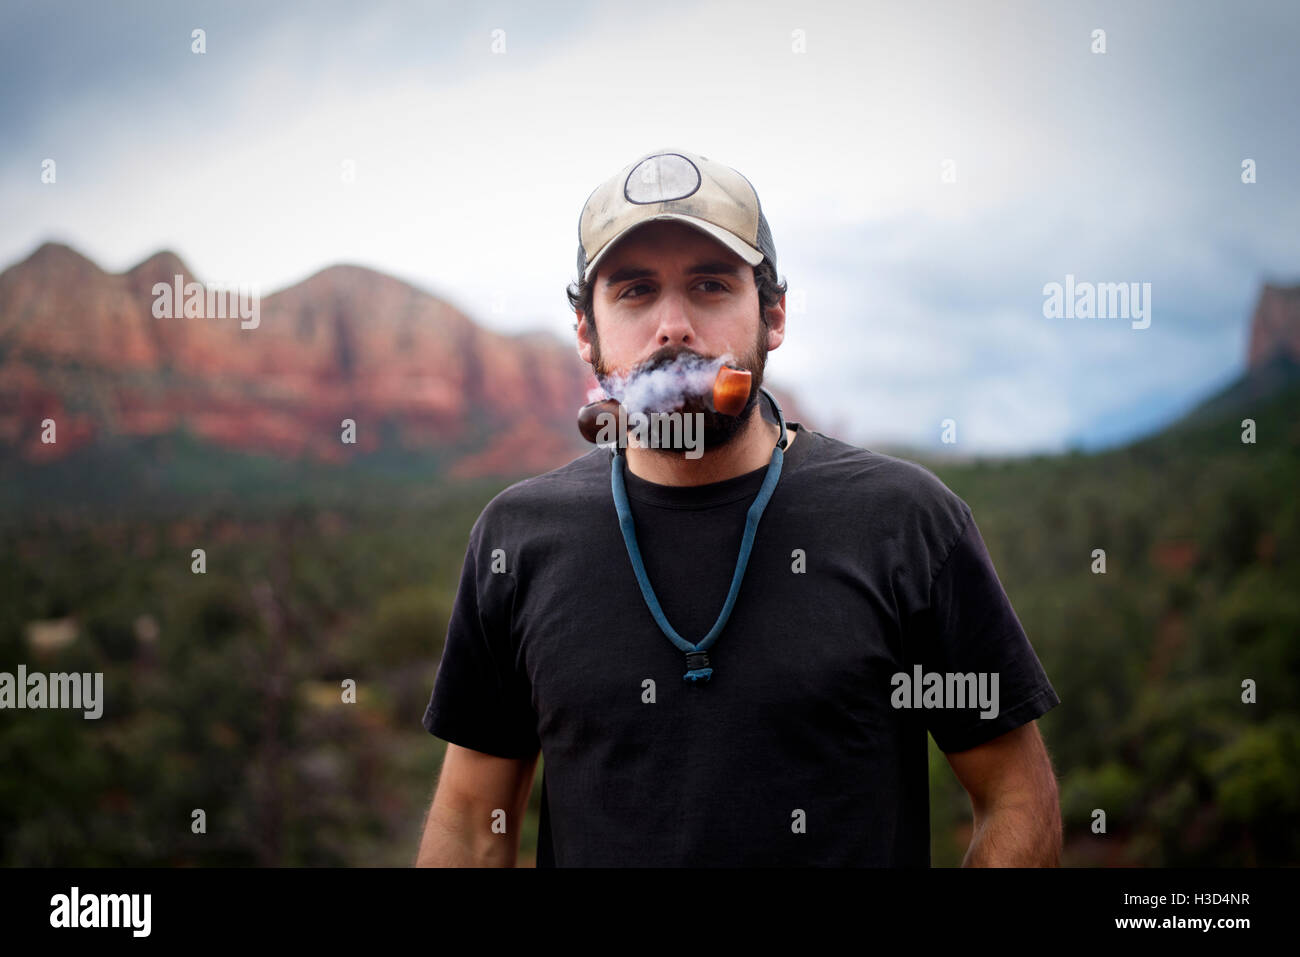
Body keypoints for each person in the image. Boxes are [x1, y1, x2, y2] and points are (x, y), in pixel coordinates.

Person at [416, 148, 1061, 867]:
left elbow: (1017, 799)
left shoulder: (908, 521)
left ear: (774, 315)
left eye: (711, 286)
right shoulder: (518, 538)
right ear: (587, 338)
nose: (673, 327)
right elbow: (474, 824)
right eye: (633, 292)